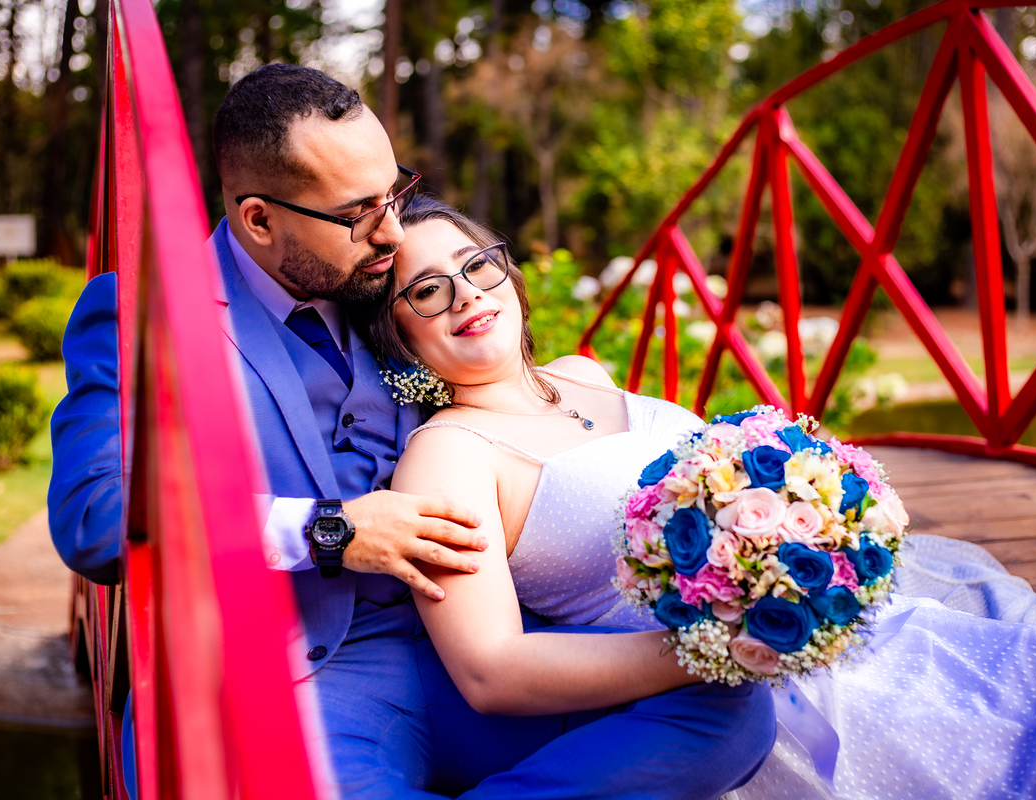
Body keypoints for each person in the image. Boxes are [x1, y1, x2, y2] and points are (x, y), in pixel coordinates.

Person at [49, 63, 774, 799]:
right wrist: (327, 531)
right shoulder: (145, 317)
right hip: (284, 684)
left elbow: (501, 374)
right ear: (260, 220)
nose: (392, 231)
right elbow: (94, 518)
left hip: (455, 654)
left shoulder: (382, 282)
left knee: (726, 711)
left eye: (393, 193)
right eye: (358, 212)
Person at [373, 195, 1036, 800]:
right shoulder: (447, 455)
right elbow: (492, 670)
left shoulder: (582, 374)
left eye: (477, 266)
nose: (466, 296)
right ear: (397, 334)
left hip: (833, 620)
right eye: (428, 291)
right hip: (733, 696)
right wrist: (721, 648)